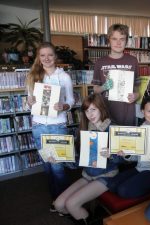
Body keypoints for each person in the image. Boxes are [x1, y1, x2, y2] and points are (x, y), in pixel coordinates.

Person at [54, 94, 122, 225]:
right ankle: (83, 218)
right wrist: (61, 160)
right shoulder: (84, 129)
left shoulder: (112, 128)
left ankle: (86, 219)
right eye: (87, 110)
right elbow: (78, 162)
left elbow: (126, 160)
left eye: (93, 109)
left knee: (71, 204)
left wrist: (112, 155)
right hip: (88, 174)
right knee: (59, 205)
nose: (90, 114)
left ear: (102, 109)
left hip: (107, 175)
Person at [26, 42, 75, 210]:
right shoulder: (33, 76)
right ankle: (56, 199)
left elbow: (71, 100)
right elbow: (29, 104)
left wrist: (64, 106)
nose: (46, 58)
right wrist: (29, 101)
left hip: (57, 126)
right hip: (38, 126)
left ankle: (64, 203)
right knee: (47, 167)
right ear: (38, 58)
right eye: (42, 55)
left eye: (50, 55)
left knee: (58, 167)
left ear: (55, 57)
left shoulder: (64, 77)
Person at [108, 95, 150, 198]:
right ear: (143, 111)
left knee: (123, 191)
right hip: (140, 168)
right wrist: (127, 154)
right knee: (111, 185)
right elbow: (137, 156)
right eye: (149, 111)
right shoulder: (142, 127)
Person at [92, 23, 140, 126]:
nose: (118, 43)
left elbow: (137, 89)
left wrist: (136, 95)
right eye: (114, 39)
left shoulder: (133, 61)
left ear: (126, 41)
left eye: (122, 39)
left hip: (127, 112)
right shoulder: (100, 62)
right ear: (109, 40)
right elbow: (95, 89)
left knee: (126, 140)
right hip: (105, 112)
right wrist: (104, 87)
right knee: (107, 139)